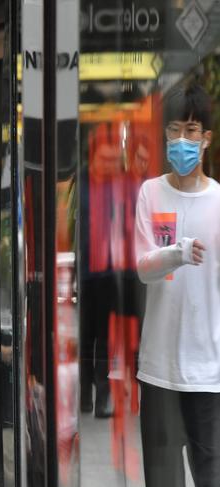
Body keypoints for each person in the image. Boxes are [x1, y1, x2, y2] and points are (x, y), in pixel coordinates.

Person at [134, 82, 220, 487]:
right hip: (159, 373)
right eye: (174, 130)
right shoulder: (151, 193)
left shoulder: (219, 203)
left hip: (210, 375)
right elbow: (144, 267)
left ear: (206, 138)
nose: (182, 140)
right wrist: (179, 253)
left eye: (190, 130)